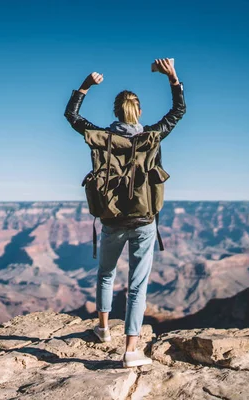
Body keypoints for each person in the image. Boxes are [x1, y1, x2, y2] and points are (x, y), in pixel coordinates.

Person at [64, 59, 186, 367]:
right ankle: (131, 350)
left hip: (111, 219)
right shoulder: (152, 136)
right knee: (137, 286)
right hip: (144, 220)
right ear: (139, 112)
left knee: (106, 274)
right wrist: (172, 77)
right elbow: (178, 112)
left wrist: (85, 86)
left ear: (116, 112)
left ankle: (103, 329)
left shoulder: (102, 136)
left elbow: (73, 116)